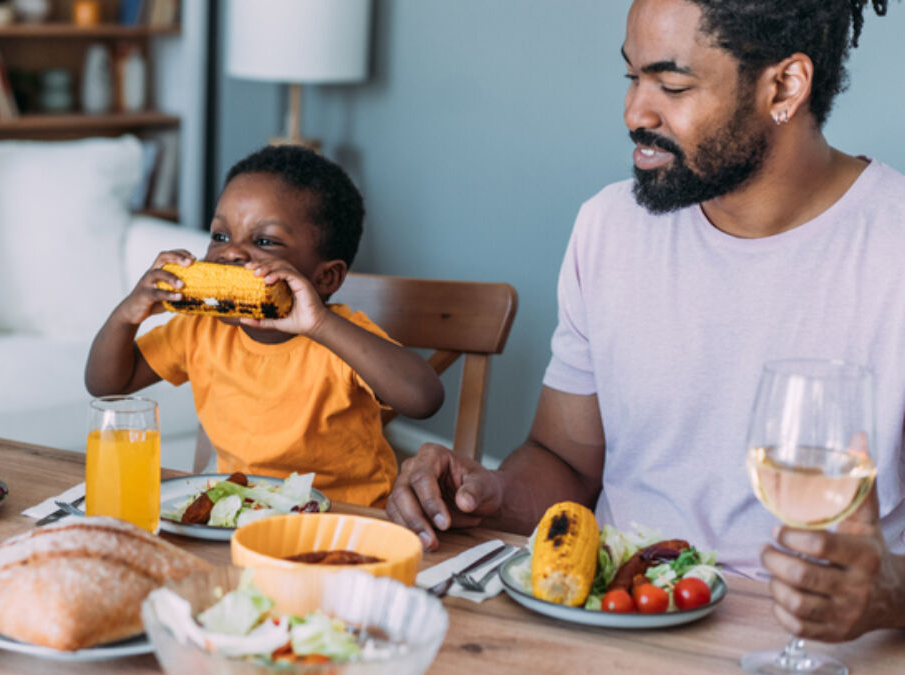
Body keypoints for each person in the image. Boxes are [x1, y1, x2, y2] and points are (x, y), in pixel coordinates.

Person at [387, 0, 905, 641]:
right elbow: (565, 463)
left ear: (785, 86)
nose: (636, 113)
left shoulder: (893, 248)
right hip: (614, 621)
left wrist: (891, 594)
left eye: (673, 85)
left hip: (819, 646)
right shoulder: (609, 229)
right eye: (632, 78)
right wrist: (489, 491)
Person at [85, 145, 444, 507]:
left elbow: (423, 398)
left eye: (265, 241)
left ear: (326, 278)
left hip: (343, 516)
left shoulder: (340, 336)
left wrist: (320, 324)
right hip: (240, 512)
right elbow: (108, 385)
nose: (232, 253)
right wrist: (126, 314)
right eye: (220, 236)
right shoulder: (199, 329)